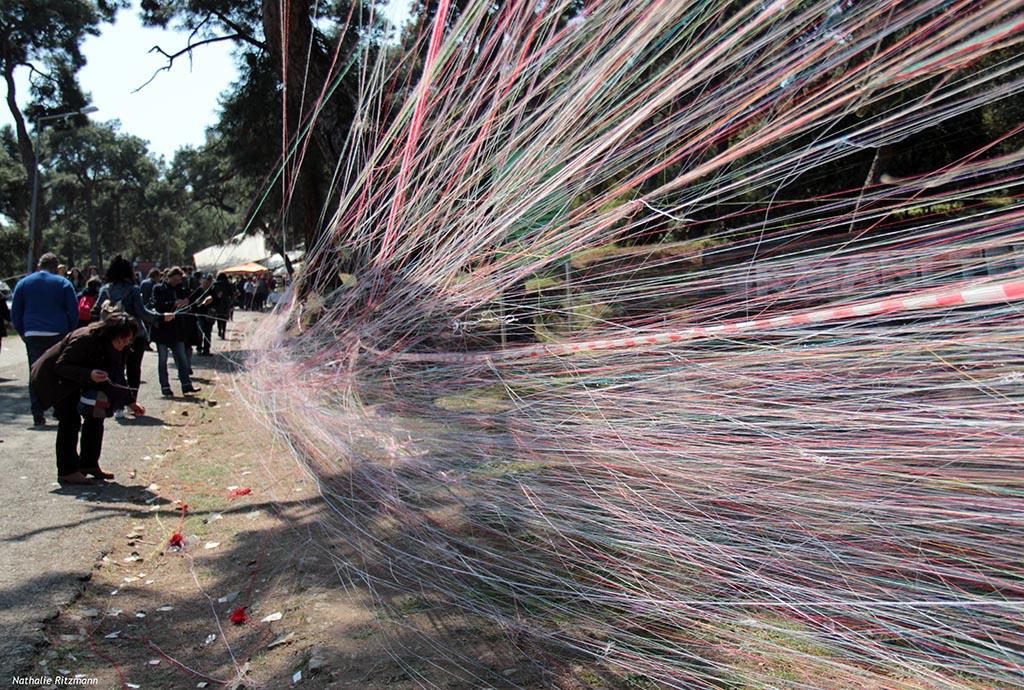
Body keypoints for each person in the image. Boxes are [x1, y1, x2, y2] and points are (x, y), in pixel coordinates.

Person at [30, 314, 143, 484]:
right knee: (70, 420)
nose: (124, 344)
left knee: (96, 414)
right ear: (111, 333)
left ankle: (89, 464)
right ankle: (67, 470)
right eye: (121, 340)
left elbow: (118, 373)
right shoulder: (85, 339)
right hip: (57, 379)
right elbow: (60, 366)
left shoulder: (120, 346)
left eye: (128, 340)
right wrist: (88, 374)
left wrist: (130, 401)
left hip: (83, 380)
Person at [93, 256, 173, 418]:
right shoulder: (133, 289)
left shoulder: (105, 290)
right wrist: (162, 317)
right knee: (133, 371)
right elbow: (143, 313)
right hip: (135, 336)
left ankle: (118, 407)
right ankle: (132, 403)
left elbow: (96, 311)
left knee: (116, 371)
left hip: (112, 338)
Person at [11, 252, 79, 426]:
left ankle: (38, 413)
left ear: (38, 266)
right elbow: (73, 310)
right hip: (58, 333)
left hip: (33, 332)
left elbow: (16, 312)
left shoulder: (23, 283)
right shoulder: (63, 283)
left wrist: (22, 332)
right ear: (56, 268)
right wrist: (70, 332)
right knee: (59, 371)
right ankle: (59, 409)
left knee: (35, 372)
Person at [151, 267, 200, 397]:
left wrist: (186, 302)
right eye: (174, 279)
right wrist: (173, 303)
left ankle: (186, 385)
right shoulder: (158, 288)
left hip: (177, 330)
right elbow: (158, 306)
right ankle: (165, 387)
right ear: (168, 277)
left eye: (179, 280)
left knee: (182, 358)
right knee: (163, 360)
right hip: (162, 330)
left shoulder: (182, 289)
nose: (176, 282)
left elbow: (191, 305)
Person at [191, 274, 215, 355]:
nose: (206, 283)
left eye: (209, 281)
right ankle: (199, 348)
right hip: (199, 313)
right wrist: (199, 302)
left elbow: (216, 301)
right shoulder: (199, 290)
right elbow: (191, 300)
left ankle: (206, 350)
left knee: (208, 333)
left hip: (209, 314)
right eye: (205, 281)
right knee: (200, 332)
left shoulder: (212, 290)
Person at [211, 272, 235, 340]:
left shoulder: (215, 284)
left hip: (217, 303)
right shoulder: (228, 284)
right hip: (226, 303)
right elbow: (232, 294)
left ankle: (219, 330)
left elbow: (212, 293)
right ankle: (223, 331)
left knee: (219, 317)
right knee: (224, 318)